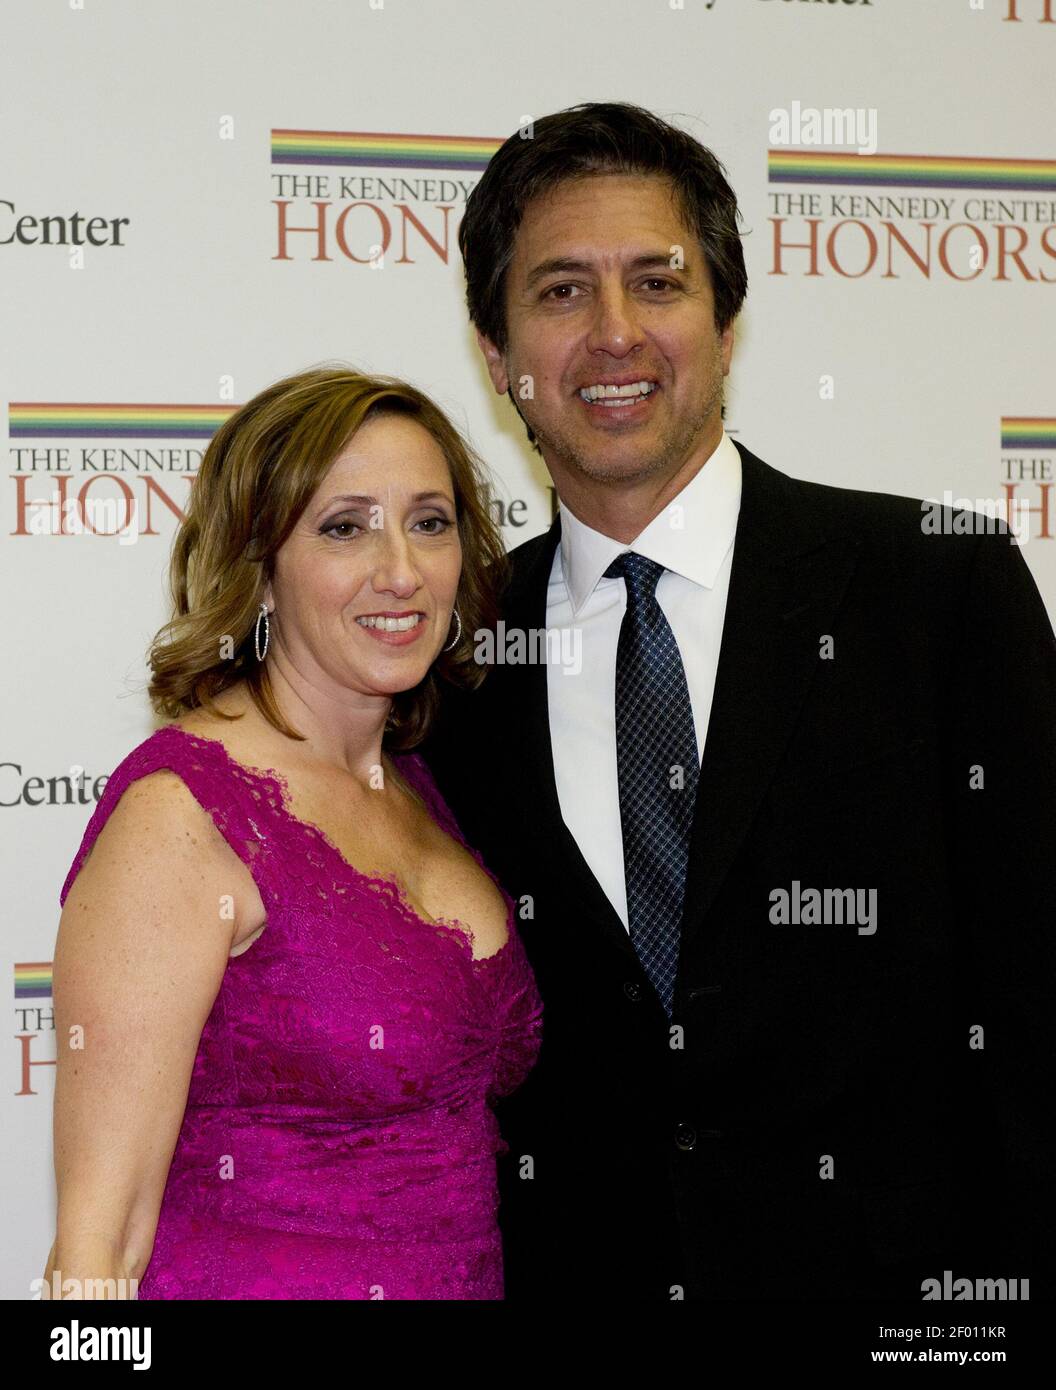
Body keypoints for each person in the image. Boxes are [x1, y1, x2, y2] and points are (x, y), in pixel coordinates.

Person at [421, 102, 1056, 1300]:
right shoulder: (447, 656)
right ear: (496, 350)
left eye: (657, 283)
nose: (615, 335)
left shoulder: (937, 585)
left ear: (723, 320)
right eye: (560, 292)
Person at [44, 367, 542, 1300]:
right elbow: (95, 1250)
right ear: (259, 565)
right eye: (344, 526)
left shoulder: (422, 787)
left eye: (430, 521)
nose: (400, 569)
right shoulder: (180, 815)